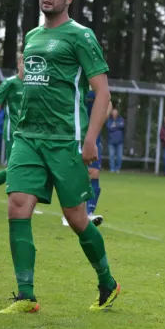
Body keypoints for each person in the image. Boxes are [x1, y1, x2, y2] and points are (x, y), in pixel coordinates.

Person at [0, 0, 120, 314]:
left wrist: (91, 139)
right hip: (27, 137)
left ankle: (107, 280)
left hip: (66, 140)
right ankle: (26, 296)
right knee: (17, 205)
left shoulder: (81, 36)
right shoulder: (33, 36)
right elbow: (30, 84)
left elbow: (102, 92)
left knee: (76, 218)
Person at [62, 90, 111, 227]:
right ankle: (69, 213)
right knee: (75, 173)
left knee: (93, 173)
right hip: (76, 135)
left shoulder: (98, 84)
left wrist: (101, 119)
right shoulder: (77, 84)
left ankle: (89, 213)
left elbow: (109, 102)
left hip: (94, 136)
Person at [0, 54, 24, 190]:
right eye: (24, 63)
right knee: (13, 169)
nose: (27, 67)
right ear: (18, 65)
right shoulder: (10, 83)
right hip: (12, 132)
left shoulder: (34, 85)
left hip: (29, 133)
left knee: (22, 169)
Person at [106, 108, 124, 173]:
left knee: (119, 156)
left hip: (120, 142)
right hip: (111, 142)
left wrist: (114, 126)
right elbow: (109, 127)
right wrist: (117, 126)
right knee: (111, 156)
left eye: (115, 113)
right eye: (113, 113)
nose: (114, 114)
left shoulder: (121, 119)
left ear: (117, 113)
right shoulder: (109, 120)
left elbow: (122, 126)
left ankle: (118, 168)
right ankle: (112, 169)